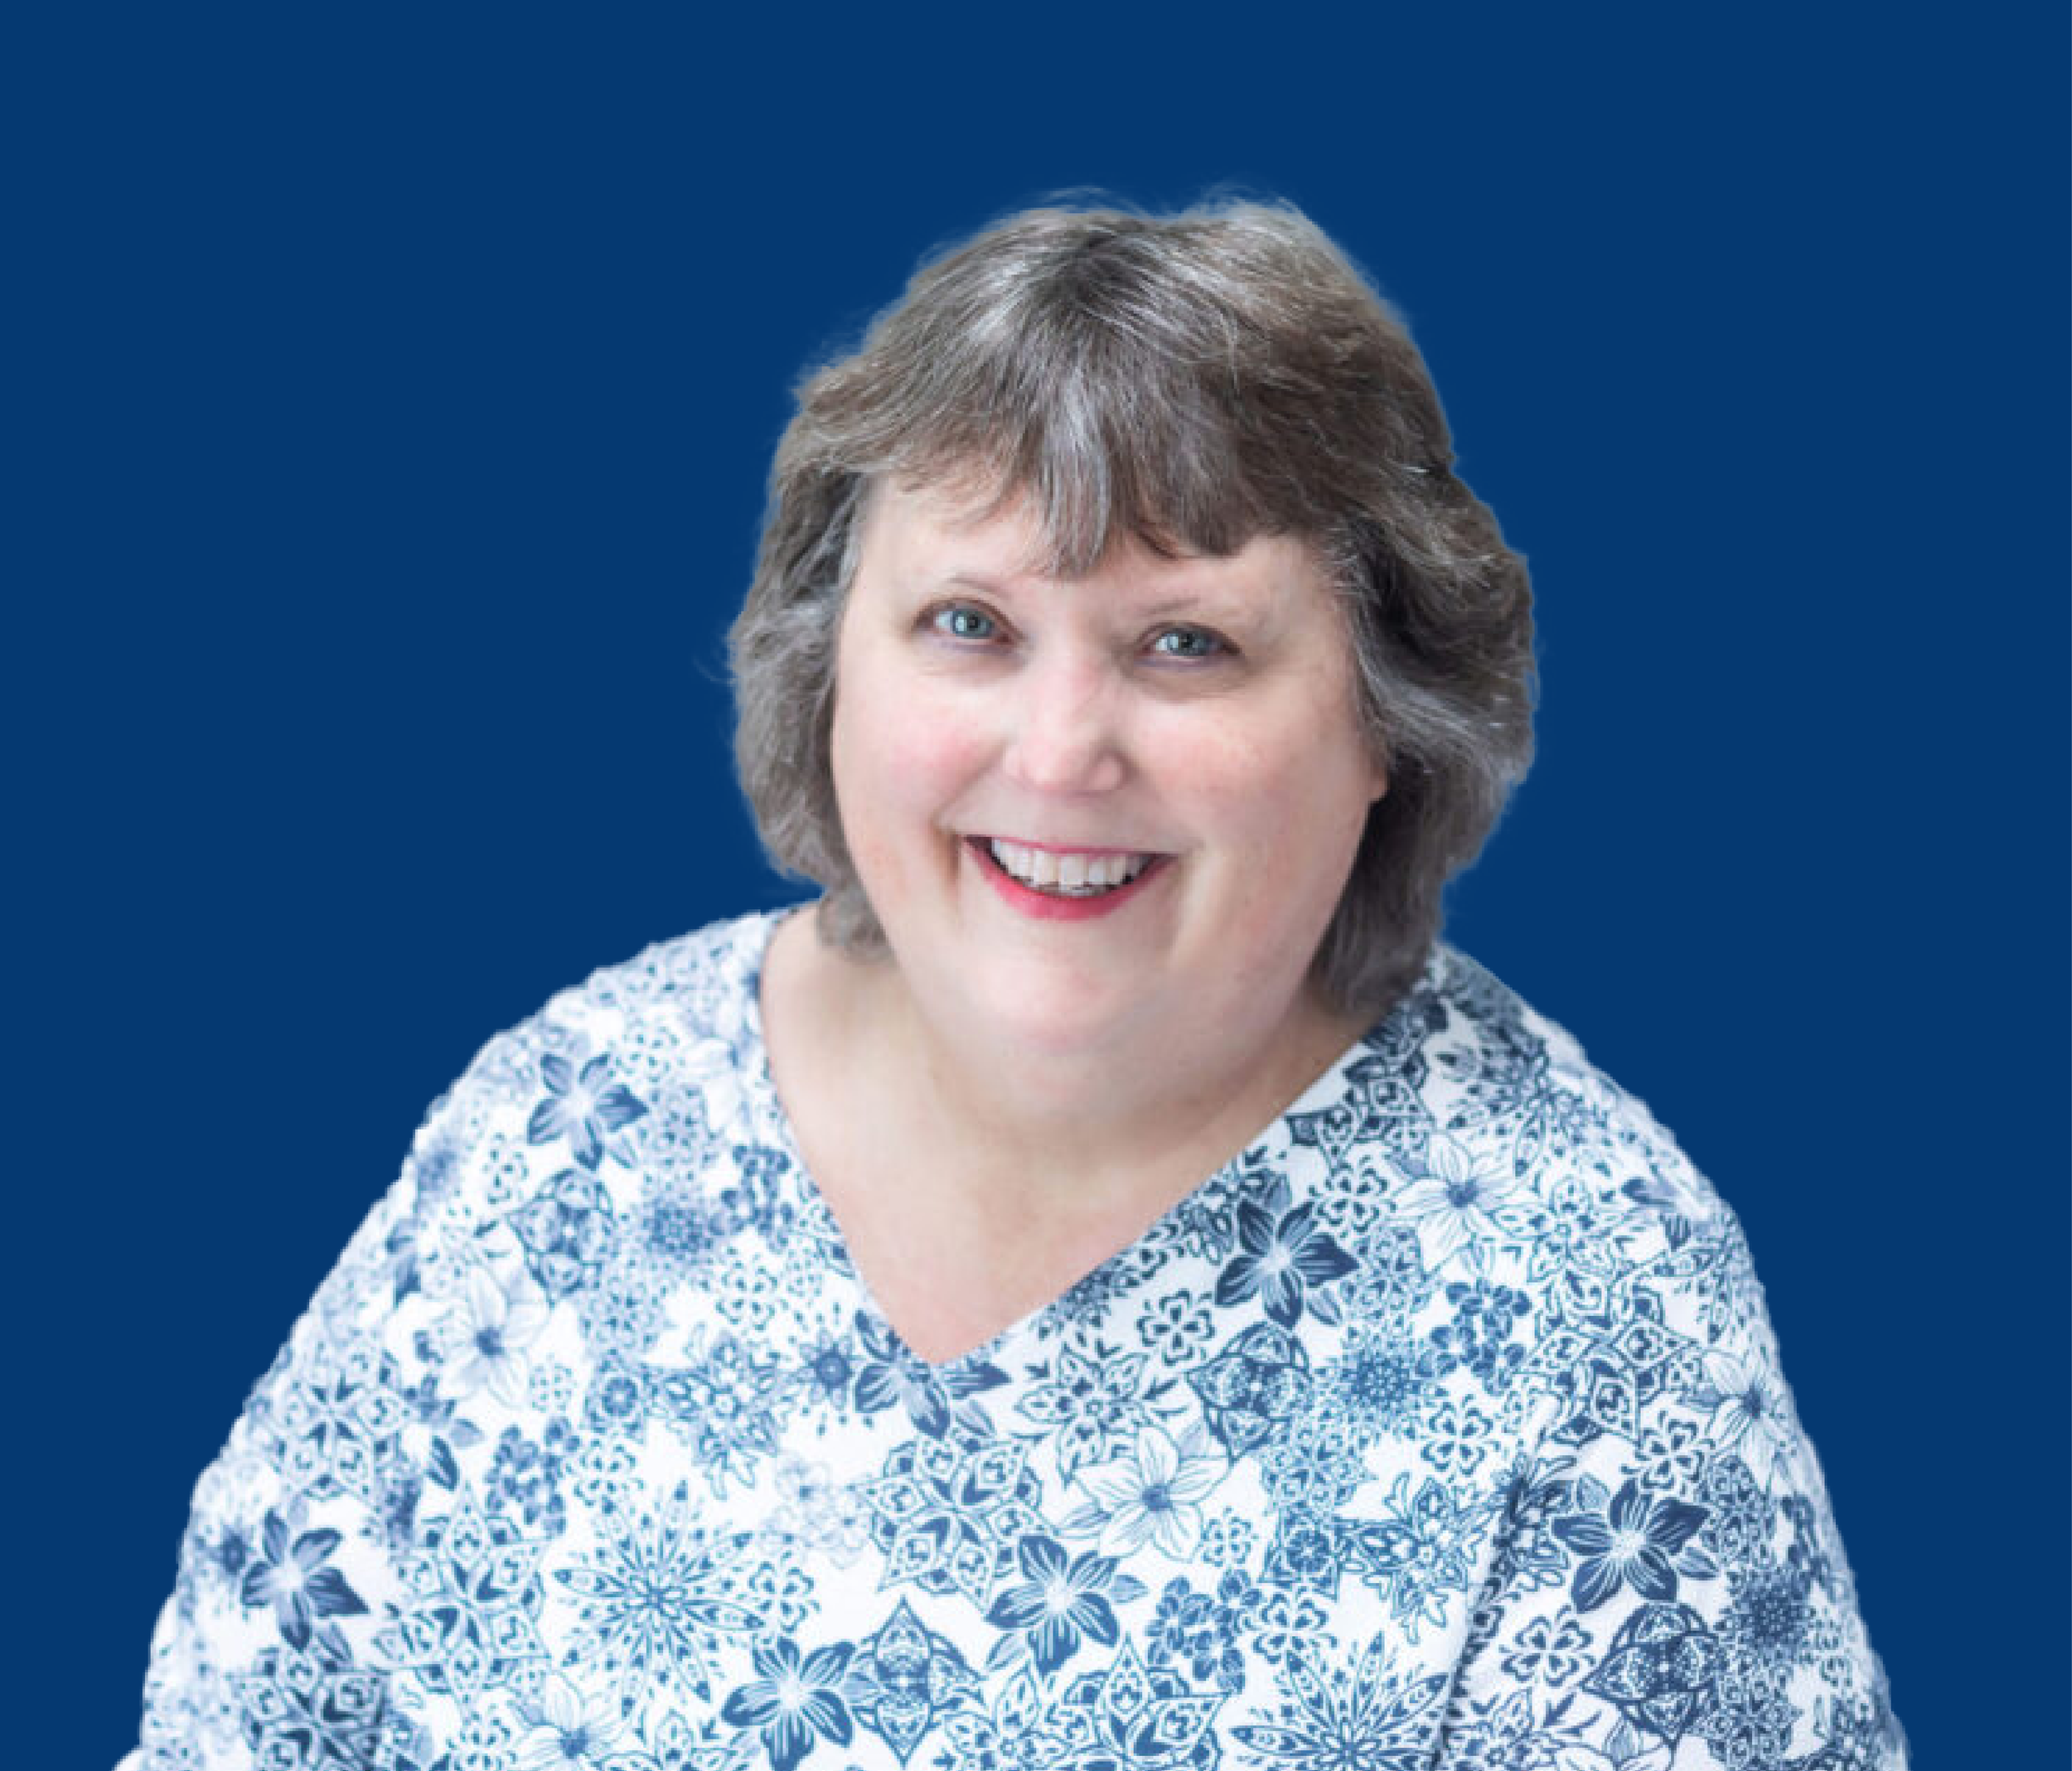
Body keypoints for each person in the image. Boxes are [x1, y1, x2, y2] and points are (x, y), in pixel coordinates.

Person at [128, 199, 1905, 1769]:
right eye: (968, 625)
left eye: (1183, 642)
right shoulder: (567, 1132)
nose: (1058, 755)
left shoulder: (1590, 1296)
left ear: (1385, 722)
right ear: (832, 673)